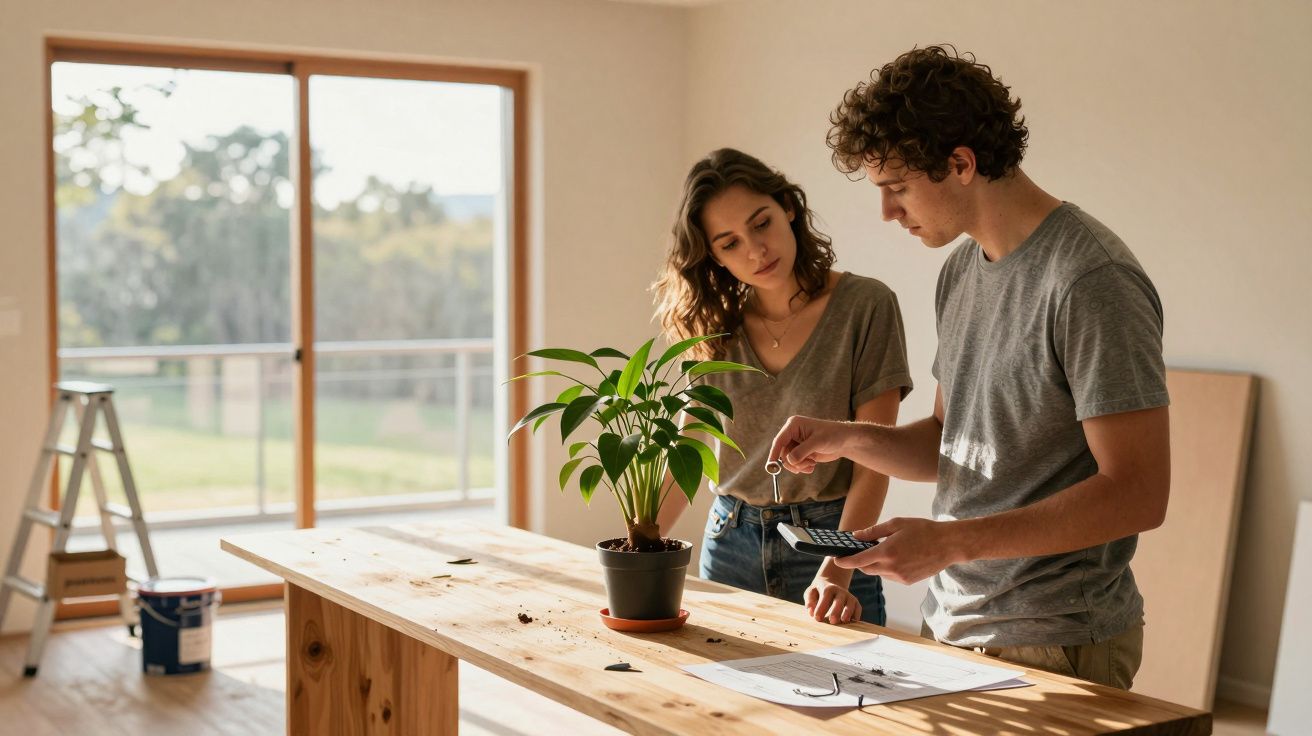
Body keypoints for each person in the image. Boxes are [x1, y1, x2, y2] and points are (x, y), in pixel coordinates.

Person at [769, 46, 1170, 690]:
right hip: (953, 621)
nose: (887, 212)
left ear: (961, 163)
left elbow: (1140, 492)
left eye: (896, 188)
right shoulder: (961, 271)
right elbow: (948, 446)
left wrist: (950, 543)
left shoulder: (1091, 279)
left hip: (1057, 638)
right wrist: (843, 436)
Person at [653, 148, 913, 626]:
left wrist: (836, 572)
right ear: (712, 255)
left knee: (858, 696)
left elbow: (875, 458)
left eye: (761, 224)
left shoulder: (865, 306)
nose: (755, 250)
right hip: (729, 542)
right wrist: (640, 544)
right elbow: (691, 441)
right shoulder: (713, 325)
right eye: (729, 243)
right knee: (726, 700)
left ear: (787, 208)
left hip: (833, 542)